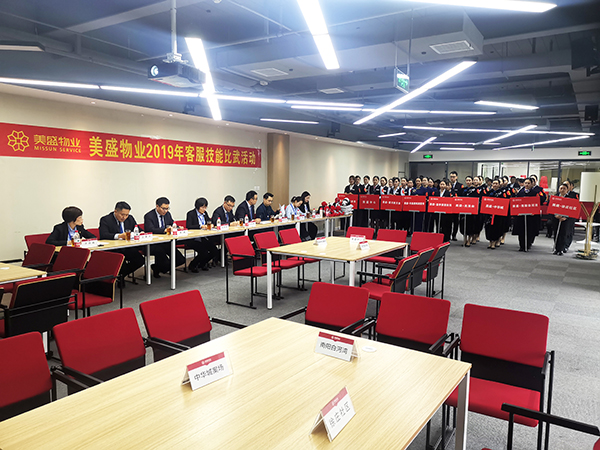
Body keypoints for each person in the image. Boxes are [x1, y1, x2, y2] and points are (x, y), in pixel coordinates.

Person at [98, 201, 145, 279]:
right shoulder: (106, 219)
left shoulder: (130, 218)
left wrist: (142, 233)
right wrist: (119, 236)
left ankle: (121, 275)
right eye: (122, 214)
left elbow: (138, 229)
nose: (124, 217)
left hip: (127, 247)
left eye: (126, 215)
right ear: (115, 211)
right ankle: (119, 277)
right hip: (114, 249)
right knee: (121, 263)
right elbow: (104, 235)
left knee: (140, 260)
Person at [144, 197, 186, 278]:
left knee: (181, 260)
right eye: (163, 208)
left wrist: (177, 227)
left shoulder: (167, 214)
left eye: (167, 208)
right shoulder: (149, 216)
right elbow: (149, 229)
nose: (165, 211)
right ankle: (160, 268)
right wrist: (164, 230)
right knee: (162, 257)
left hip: (166, 242)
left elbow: (172, 224)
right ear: (157, 206)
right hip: (154, 244)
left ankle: (157, 268)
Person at [185, 197, 219, 272]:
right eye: (202, 207)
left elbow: (209, 222)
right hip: (193, 239)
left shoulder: (205, 213)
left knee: (214, 251)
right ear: (197, 207)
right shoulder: (191, 214)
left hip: (204, 237)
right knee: (204, 252)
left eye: (205, 207)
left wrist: (211, 225)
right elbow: (189, 226)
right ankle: (192, 265)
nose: (204, 209)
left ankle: (202, 264)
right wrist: (200, 226)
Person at [511, 178, 539, 252]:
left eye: (528, 183)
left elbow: (536, 204)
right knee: (521, 231)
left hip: (530, 216)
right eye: (525, 183)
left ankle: (527, 244)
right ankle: (521, 245)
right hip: (521, 215)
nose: (527, 184)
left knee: (529, 230)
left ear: (532, 184)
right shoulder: (520, 192)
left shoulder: (534, 193)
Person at [484, 179, 506, 249]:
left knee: (496, 227)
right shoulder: (489, 192)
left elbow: (504, 202)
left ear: (499, 185)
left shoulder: (502, 193)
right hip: (489, 213)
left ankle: (494, 242)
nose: (495, 185)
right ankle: (490, 241)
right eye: (494, 183)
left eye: (496, 184)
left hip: (498, 214)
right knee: (488, 227)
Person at [552, 183, 570, 255]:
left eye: (564, 189)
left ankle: (561, 249)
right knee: (556, 233)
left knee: (563, 234)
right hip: (556, 218)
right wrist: (555, 215)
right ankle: (556, 249)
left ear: (567, 190)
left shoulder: (569, 198)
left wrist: (565, 217)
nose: (562, 190)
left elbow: (571, 210)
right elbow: (551, 208)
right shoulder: (555, 197)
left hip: (565, 219)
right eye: (561, 188)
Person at [449, 171, 463, 241]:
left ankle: (454, 235)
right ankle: (448, 234)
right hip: (449, 206)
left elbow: (461, 196)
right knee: (449, 221)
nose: (452, 178)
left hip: (456, 206)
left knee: (456, 222)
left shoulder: (460, 186)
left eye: (453, 177)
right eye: (451, 177)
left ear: (456, 177)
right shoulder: (448, 185)